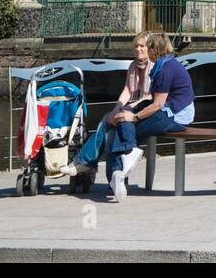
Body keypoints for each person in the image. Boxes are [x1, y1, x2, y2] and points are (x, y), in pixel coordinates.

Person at [103, 33, 194, 202]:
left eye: (147, 47)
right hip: (167, 109)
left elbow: (157, 105)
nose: (144, 50)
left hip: (175, 116)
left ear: (154, 50)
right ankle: (120, 170)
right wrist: (129, 113)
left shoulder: (165, 70)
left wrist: (135, 117)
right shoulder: (164, 65)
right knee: (123, 118)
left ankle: (120, 167)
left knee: (123, 125)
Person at [58, 34, 151, 181]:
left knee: (110, 128)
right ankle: (111, 177)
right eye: (136, 46)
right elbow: (127, 90)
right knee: (110, 124)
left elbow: (149, 97)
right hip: (132, 109)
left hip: (146, 111)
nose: (138, 49)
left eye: (142, 46)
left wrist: (124, 109)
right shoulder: (133, 66)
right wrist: (116, 109)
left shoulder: (154, 66)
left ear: (150, 48)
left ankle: (85, 162)